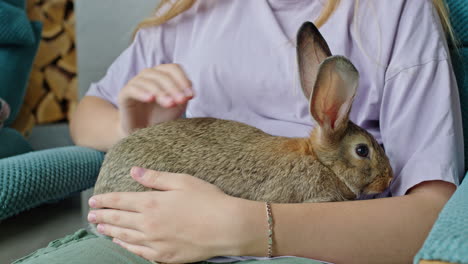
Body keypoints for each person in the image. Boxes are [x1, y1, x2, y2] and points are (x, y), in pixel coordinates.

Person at [14, 0, 463, 264]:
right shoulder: (189, 10)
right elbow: (86, 114)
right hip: (143, 241)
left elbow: (432, 215)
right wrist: (131, 131)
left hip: (308, 250)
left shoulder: (393, 11)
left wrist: (241, 225)